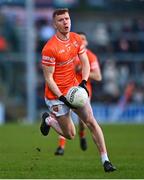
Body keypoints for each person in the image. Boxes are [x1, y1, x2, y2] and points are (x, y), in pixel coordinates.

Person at [40, 8, 116, 172]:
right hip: (55, 96)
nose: (65, 22)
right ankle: (49, 120)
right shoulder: (49, 48)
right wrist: (61, 97)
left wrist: (82, 82)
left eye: (67, 19)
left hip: (74, 89)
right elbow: (48, 78)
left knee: (91, 122)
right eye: (61, 20)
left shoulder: (76, 39)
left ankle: (106, 161)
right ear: (54, 24)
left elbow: (86, 62)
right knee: (70, 134)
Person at [54, 32, 102, 155]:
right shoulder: (69, 54)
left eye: (84, 39)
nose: (82, 41)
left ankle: (82, 134)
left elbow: (98, 76)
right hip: (67, 89)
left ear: (86, 42)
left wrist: (83, 72)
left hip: (83, 91)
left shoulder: (91, 57)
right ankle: (61, 147)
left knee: (83, 122)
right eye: (79, 39)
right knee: (65, 116)